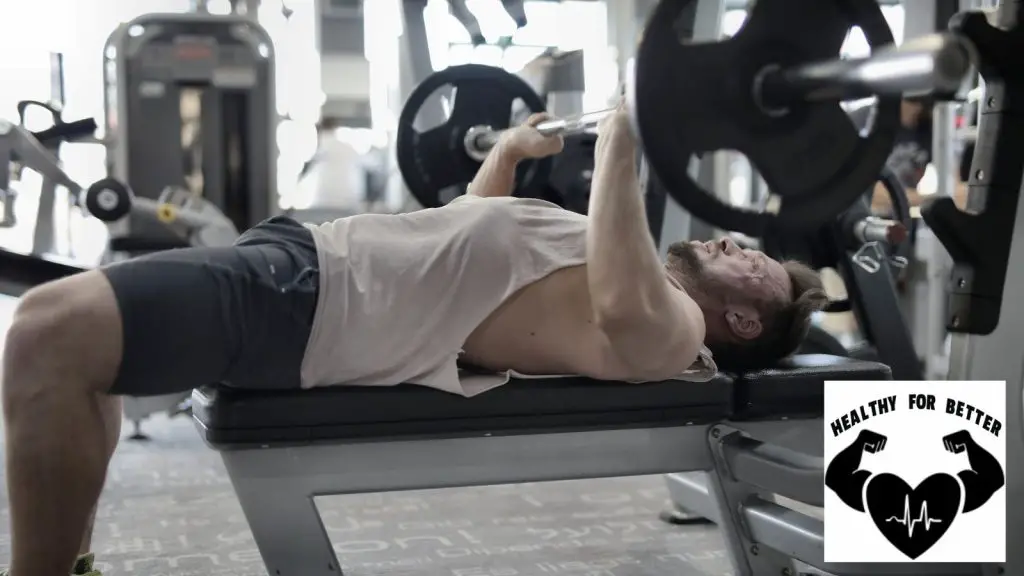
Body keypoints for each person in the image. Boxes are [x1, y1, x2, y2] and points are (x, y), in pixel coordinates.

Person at [0, 104, 827, 576]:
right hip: (307, 266)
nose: (734, 245)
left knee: (45, 335)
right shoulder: (627, 259)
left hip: (316, 308)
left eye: (756, 266)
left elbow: (619, 304)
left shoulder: (673, 329)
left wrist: (622, 144)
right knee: (81, 356)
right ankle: (70, 563)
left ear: (745, 323)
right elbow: (465, 230)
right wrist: (507, 152)